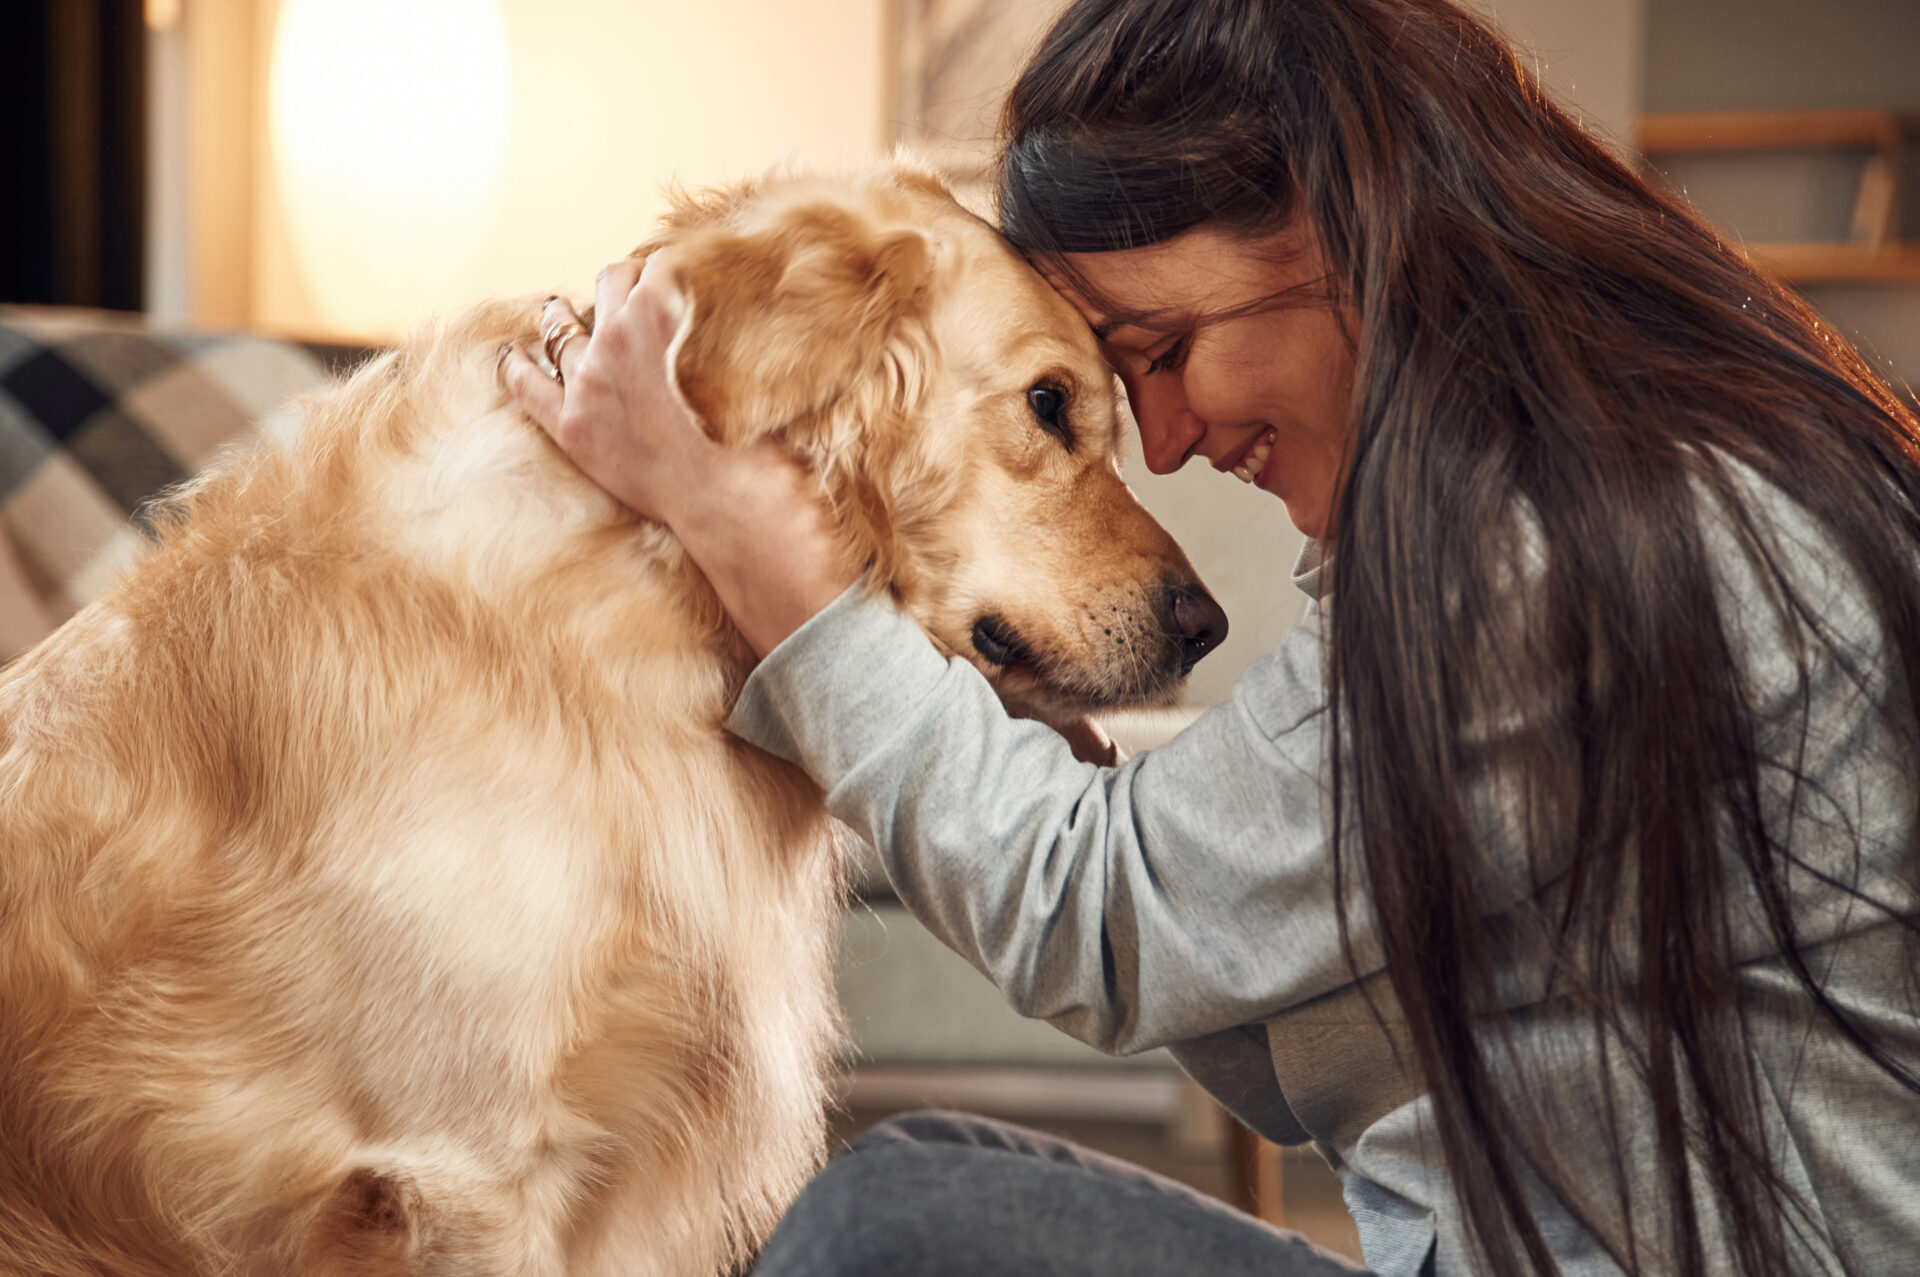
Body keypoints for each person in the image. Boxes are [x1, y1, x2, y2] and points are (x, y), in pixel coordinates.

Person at [500, 0, 1920, 1272]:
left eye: (1164, 352)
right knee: (931, 1172)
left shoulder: (1557, 544)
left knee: (890, 1228)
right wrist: (1041, 765)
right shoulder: (1612, 479)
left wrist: (757, 549)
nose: (1169, 442)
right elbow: (1305, 1007)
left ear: (1342, 220)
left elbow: (1102, 923)